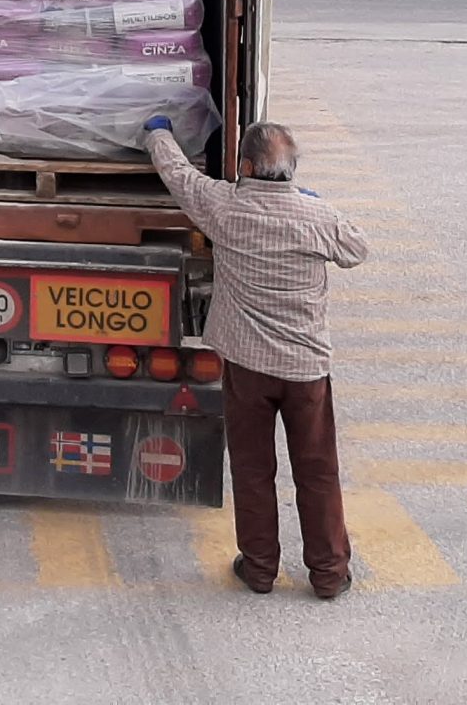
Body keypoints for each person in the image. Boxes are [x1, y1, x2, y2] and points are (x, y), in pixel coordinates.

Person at [144, 114, 367, 599]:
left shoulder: (223, 206)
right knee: (317, 471)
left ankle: (260, 568)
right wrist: (313, 206)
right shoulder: (317, 217)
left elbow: (178, 176)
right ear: (292, 169)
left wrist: (158, 133)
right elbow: (356, 250)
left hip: (247, 368)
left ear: (245, 166)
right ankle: (329, 573)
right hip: (306, 371)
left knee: (252, 468)